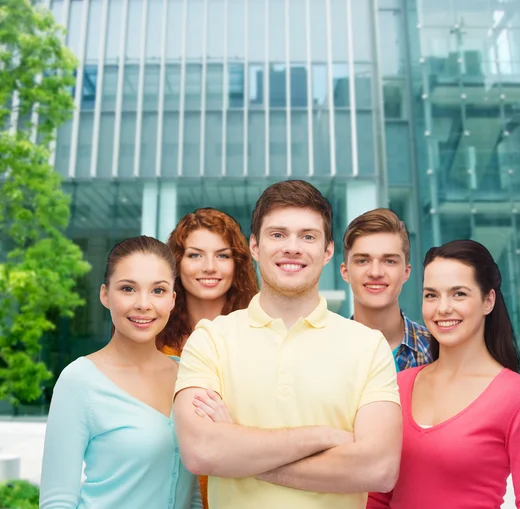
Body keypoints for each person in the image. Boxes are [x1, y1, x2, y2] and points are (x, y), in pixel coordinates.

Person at [173, 180, 402, 509]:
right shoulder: (211, 339)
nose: (292, 247)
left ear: (327, 251)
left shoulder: (368, 346)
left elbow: (378, 469)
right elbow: (201, 452)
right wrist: (322, 437)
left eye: (307, 236)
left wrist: (239, 451)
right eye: (277, 234)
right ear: (254, 246)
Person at [367, 240, 520, 509]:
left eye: (459, 294)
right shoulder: (399, 385)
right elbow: (377, 496)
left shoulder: (515, 397)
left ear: (488, 301)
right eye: (431, 295)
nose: (442, 308)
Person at [40, 236, 202, 509]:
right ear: (105, 295)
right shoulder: (79, 381)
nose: (143, 303)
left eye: (158, 291)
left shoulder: (187, 375)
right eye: (128, 288)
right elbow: (57, 501)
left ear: (173, 300)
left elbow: (193, 492)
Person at [158, 207, 259, 508]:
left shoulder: (259, 337)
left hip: (240, 495)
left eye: (223, 255)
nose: (209, 267)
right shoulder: (154, 341)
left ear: (237, 264)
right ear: (176, 262)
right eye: (195, 255)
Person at [340, 208, 431, 371]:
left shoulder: (437, 350)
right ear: (345, 272)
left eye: (389, 261)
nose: (375, 272)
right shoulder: (324, 351)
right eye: (362, 261)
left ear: (406, 272)